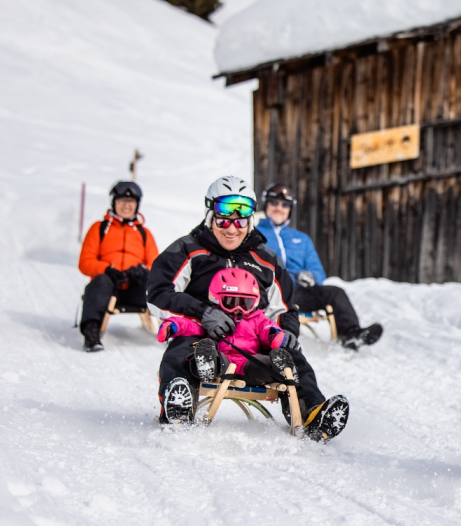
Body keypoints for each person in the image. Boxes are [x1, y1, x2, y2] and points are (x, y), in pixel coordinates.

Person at [146, 176, 349, 441]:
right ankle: (178, 408)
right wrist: (202, 313)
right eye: (223, 220)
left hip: (253, 343)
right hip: (203, 340)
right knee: (182, 349)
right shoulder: (188, 249)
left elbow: (285, 307)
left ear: (250, 220)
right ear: (210, 216)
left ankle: (312, 414)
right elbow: (158, 293)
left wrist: (286, 334)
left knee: (291, 357)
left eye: (240, 221)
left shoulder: (265, 258)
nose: (232, 229)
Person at [256, 183, 383, 350]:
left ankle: (351, 335)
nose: (279, 208)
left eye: (285, 205)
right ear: (266, 204)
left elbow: (317, 269)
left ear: (290, 209)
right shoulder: (255, 234)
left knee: (335, 293)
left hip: (297, 294)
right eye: (274, 203)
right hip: (269, 292)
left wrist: (311, 277)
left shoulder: (301, 239)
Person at [156, 268, 291, 389]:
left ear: (254, 303)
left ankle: (280, 367)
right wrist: (173, 326)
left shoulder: (257, 319)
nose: (238, 309)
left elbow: (267, 328)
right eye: (230, 302)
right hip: (223, 362)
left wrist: (274, 335)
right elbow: (192, 326)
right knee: (213, 355)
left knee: (263, 363)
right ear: (216, 299)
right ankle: (207, 362)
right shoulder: (212, 319)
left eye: (245, 303)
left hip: (249, 363)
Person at [77, 181, 159, 352]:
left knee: (158, 285)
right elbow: (85, 262)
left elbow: (156, 265)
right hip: (108, 289)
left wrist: (141, 271)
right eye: (122, 201)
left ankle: (174, 332)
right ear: (114, 202)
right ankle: (91, 334)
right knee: (100, 281)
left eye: (131, 201)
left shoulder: (144, 234)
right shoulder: (99, 229)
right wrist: (107, 270)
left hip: (135, 289)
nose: (126, 205)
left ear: (137, 204)